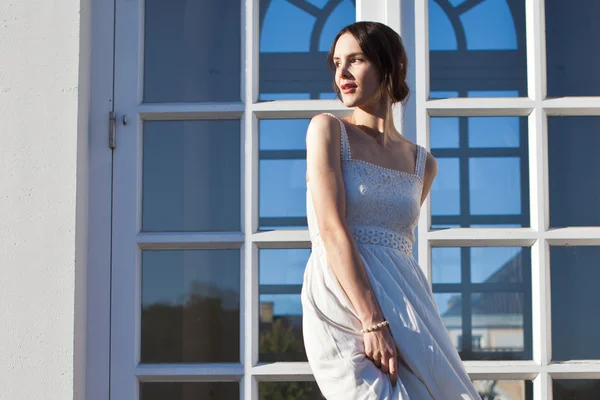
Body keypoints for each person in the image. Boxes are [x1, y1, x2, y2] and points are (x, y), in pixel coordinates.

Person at [300, 21, 481, 399]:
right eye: (336, 62)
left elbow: (401, 245)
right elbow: (332, 228)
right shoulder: (328, 130)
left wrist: (391, 319)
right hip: (343, 294)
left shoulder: (422, 163)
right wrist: (372, 321)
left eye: (356, 59)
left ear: (389, 67)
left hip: (406, 300)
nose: (342, 73)